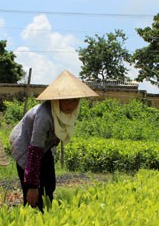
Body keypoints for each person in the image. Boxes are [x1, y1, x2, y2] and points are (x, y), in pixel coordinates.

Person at [9, 70, 98, 211]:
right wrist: (32, 186)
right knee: (33, 192)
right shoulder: (43, 116)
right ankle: (30, 217)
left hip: (44, 147)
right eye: (66, 101)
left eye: (75, 100)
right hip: (25, 144)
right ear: (57, 100)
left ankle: (46, 214)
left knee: (49, 185)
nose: (71, 105)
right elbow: (34, 149)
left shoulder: (67, 113)